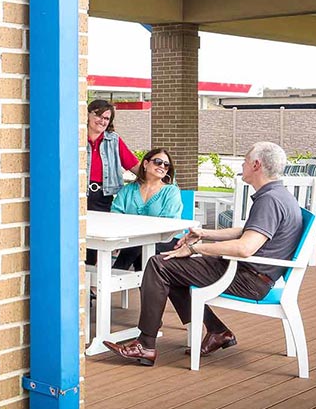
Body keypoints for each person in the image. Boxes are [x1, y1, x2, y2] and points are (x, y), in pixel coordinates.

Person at [102, 142, 303, 367]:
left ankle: (146, 344)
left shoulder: (269, 200)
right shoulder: (278, 195)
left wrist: (194, 249)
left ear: (256, 165)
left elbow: (245, 248)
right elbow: (248, 231)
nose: (242, 165)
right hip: (252, 273)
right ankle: (217, 331)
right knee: (171, 266)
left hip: (248, 277)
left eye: (245, 161)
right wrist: (204, 233)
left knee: (160, 264)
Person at [86, 99, 140, 265]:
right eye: (98, 115)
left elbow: (134, 165)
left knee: (95, 243)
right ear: (87, 114)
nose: (102, 121)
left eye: (106, 118)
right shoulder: (76, 137)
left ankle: (90, 279)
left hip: (103, 197)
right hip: (78, 195)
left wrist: (158, 178)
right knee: (79, 238)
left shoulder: (114, 141)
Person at [111, 148, 183, 271]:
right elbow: (115, 215)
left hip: (166, 239)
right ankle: (119, 275)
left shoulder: (171, 191)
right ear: (145, 164)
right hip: (133, 240)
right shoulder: (128, 190)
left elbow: (168, 223)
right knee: (137, 249)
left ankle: (114, 273)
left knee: (138, 248)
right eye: (158, 162)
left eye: (166, 165)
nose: (162, 166)